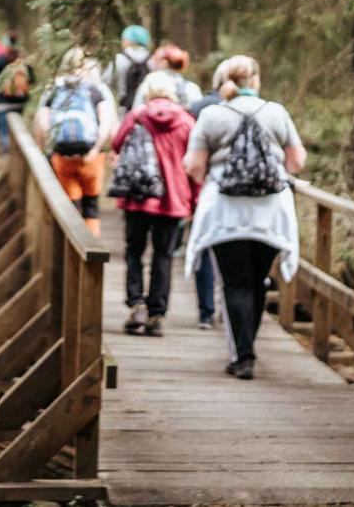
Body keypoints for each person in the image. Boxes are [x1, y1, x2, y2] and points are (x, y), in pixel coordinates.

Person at [183, 55, 307, 380]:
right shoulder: (276, 112)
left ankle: (243, 355)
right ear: (255, 81)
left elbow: (194, 167)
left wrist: (218, 170)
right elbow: (297, 161)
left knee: (235, 283)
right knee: (257, 281)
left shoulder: (212, 114)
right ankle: (246, 347)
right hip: (271, 210)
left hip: (226, 210)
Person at [112, 78, 199, 337]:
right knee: (163, 256)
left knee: (134, 251)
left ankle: (137, 304)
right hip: (173, 198)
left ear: (148, 95)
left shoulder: (137, 115)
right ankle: (157, 314)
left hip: (138, 196)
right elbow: (194, 165)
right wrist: (194, 200)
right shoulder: (186, 121)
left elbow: (117, 144)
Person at [34, 47, 115, 236]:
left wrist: (45, 147)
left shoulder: (54, 88)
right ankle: (92, 246)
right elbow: (107, 123)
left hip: (63, 156)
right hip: (92, 157)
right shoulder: (95, 89)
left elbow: (43, 123)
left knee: (71, 205)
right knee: (92, 205)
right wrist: (97, 148)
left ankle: (71, 246)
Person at [186, 57, 233, 329]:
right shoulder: (254, 109)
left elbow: (189, 155)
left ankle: (206, 311)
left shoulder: (197, 108)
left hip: (203, 188)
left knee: (204, 246)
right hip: (240, 193)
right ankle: (226, 307)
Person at [131, 43, 204, 111]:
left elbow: (136, 108)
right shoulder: (191, 87)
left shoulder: (151, 80)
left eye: (157, 60)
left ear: (164, 63)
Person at [0, 46, 34, 153]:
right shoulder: (23, 63)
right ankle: (17, 152)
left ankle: (8, 154)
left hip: (2, 102)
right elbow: (31, 79)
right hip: (20, 101)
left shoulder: (0, 61)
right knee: (17, 129)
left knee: (4, 130)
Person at [103, 25, 155, 114]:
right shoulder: (153, 60)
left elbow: (105, 83)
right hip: (148, 113)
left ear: (129, 41)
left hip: (124, 112)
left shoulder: (119, 59)